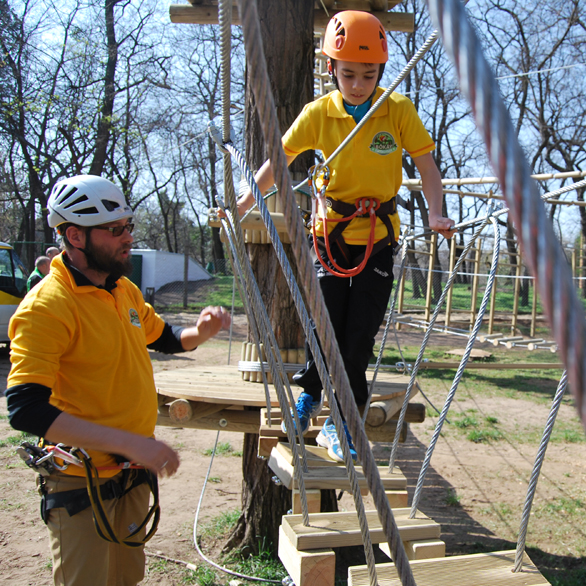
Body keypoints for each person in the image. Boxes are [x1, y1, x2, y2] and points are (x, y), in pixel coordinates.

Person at [235, 10, 455, 462]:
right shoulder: (320, 113)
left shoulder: (396, 110)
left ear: (381, 71)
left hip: (379, 235)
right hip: (330, 234)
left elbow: (428, 168)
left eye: (368, 74)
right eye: (349, 73)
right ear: (331, 69)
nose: (358, 84)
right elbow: (278, 161)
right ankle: (309, 395)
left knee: (359, 332)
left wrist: (437, 212)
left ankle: (342, 420)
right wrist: (241, 203)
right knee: (326, 323)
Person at [5, 174, 231, 586]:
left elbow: (163, 337)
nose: (127, 237)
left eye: (128, 226)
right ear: (74, 235)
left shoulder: (122, 290)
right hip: (81, 482)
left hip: (131, 474)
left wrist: (201, 332)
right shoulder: (47, 306)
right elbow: (26, 408)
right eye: (114, 230)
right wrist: (131, 442)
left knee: (126, 579)